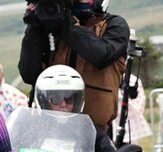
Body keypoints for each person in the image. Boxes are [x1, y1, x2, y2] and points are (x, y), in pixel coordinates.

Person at [18, 0, 129, 132]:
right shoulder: (54, 28)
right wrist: (34, 27)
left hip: (95, 130)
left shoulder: (115, 25)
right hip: (52, 127)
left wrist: (68, 24)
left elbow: (101, 55)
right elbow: (30, 74)